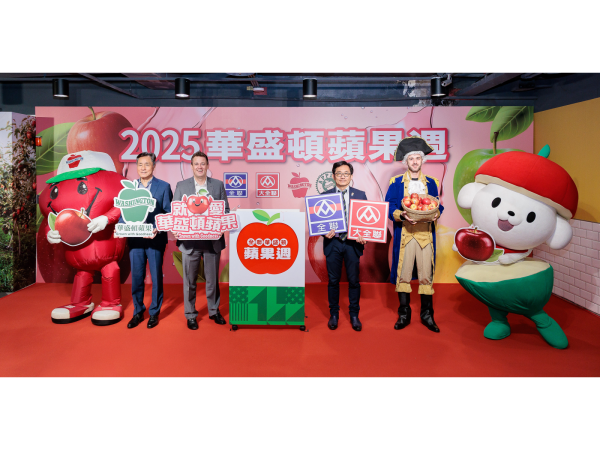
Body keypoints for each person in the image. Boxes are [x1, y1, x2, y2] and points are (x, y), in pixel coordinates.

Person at [385, 136, 444, 332]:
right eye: (411, 158)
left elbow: (437, 204)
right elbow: (389, 207)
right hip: (405, 235)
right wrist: (400, 215)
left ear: (422, 160)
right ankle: (404, 314)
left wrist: (436, 213)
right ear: (406, 161)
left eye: (418, 158)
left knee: (426, 275)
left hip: (425, 235)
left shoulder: (432, 183)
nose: (415, 161)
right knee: (403, 275)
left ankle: (427, 315)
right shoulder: (396, 182)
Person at [173, 151, 229, 330]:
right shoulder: (182, 186)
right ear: (191, 166)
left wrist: (223, 224)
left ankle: (214, 310)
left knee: (212, 281)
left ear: (207, 166)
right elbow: (175, 212)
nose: (199, 167)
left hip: (212, 242)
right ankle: (190, 314)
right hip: (190, 242)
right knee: (189, 282)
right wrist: (175, 228)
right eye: (196, 163)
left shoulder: (218, 185)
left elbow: (225, 210)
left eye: (202, 163)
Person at [124, 152, 173, 329]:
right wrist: (121, 227)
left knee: (156, 277)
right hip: (135, 240)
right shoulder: (129, 188)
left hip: (155, 239)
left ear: (153, 166)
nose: (143, 168)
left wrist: (158, 228)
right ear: (136, 167)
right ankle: (138, 311)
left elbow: (169, 213)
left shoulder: (164, 187)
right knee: (137, 277)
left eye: (147, 164)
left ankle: (154, 313)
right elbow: (123, 213)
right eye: (140, 164)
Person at [322, 161, 367, 331]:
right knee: (333, 281)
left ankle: (354, 315)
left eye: (346, 173)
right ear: (333, 176)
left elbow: (366, 221)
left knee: (354, 281)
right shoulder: (324, 196)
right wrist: (324, 232)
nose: (342, 176)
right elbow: (319, 221)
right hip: (333, 242)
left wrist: (365, 235)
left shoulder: (360, 195)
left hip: (352, 243)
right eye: (339, 173)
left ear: (351, 176)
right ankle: (334, 314)